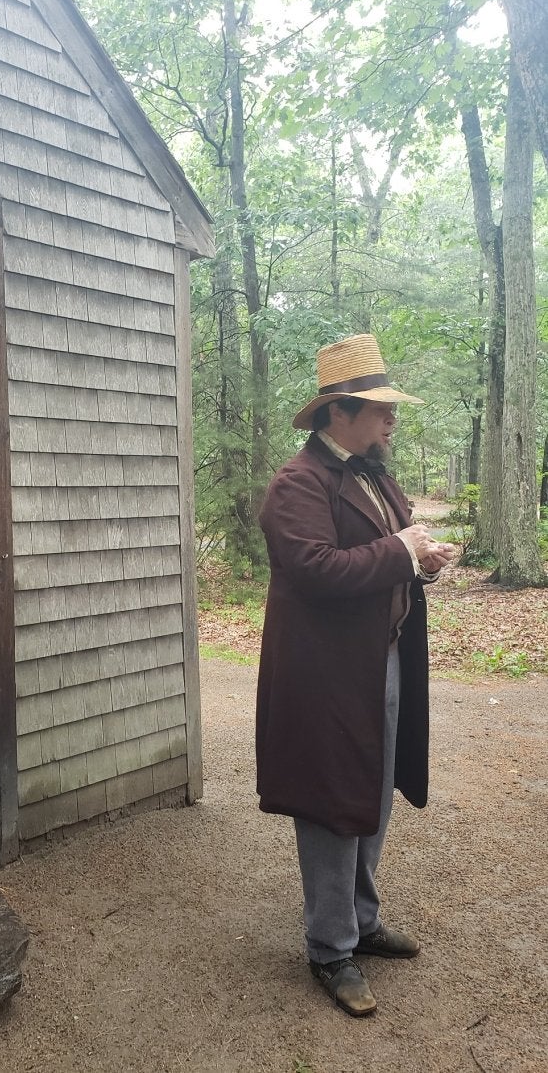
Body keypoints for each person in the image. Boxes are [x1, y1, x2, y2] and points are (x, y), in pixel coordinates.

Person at [255, 334, 455, 1017]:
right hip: (325, 678)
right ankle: (329, 947)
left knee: (373, 790)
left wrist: (420, 556)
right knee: (332, 802)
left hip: (379, 659)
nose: (392, 422)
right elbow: (316, 568)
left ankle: (361, 922)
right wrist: (400, 550)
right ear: (340, 411)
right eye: (380, 410)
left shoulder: (372, 470)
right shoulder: (296, 484)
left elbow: (386, 550)